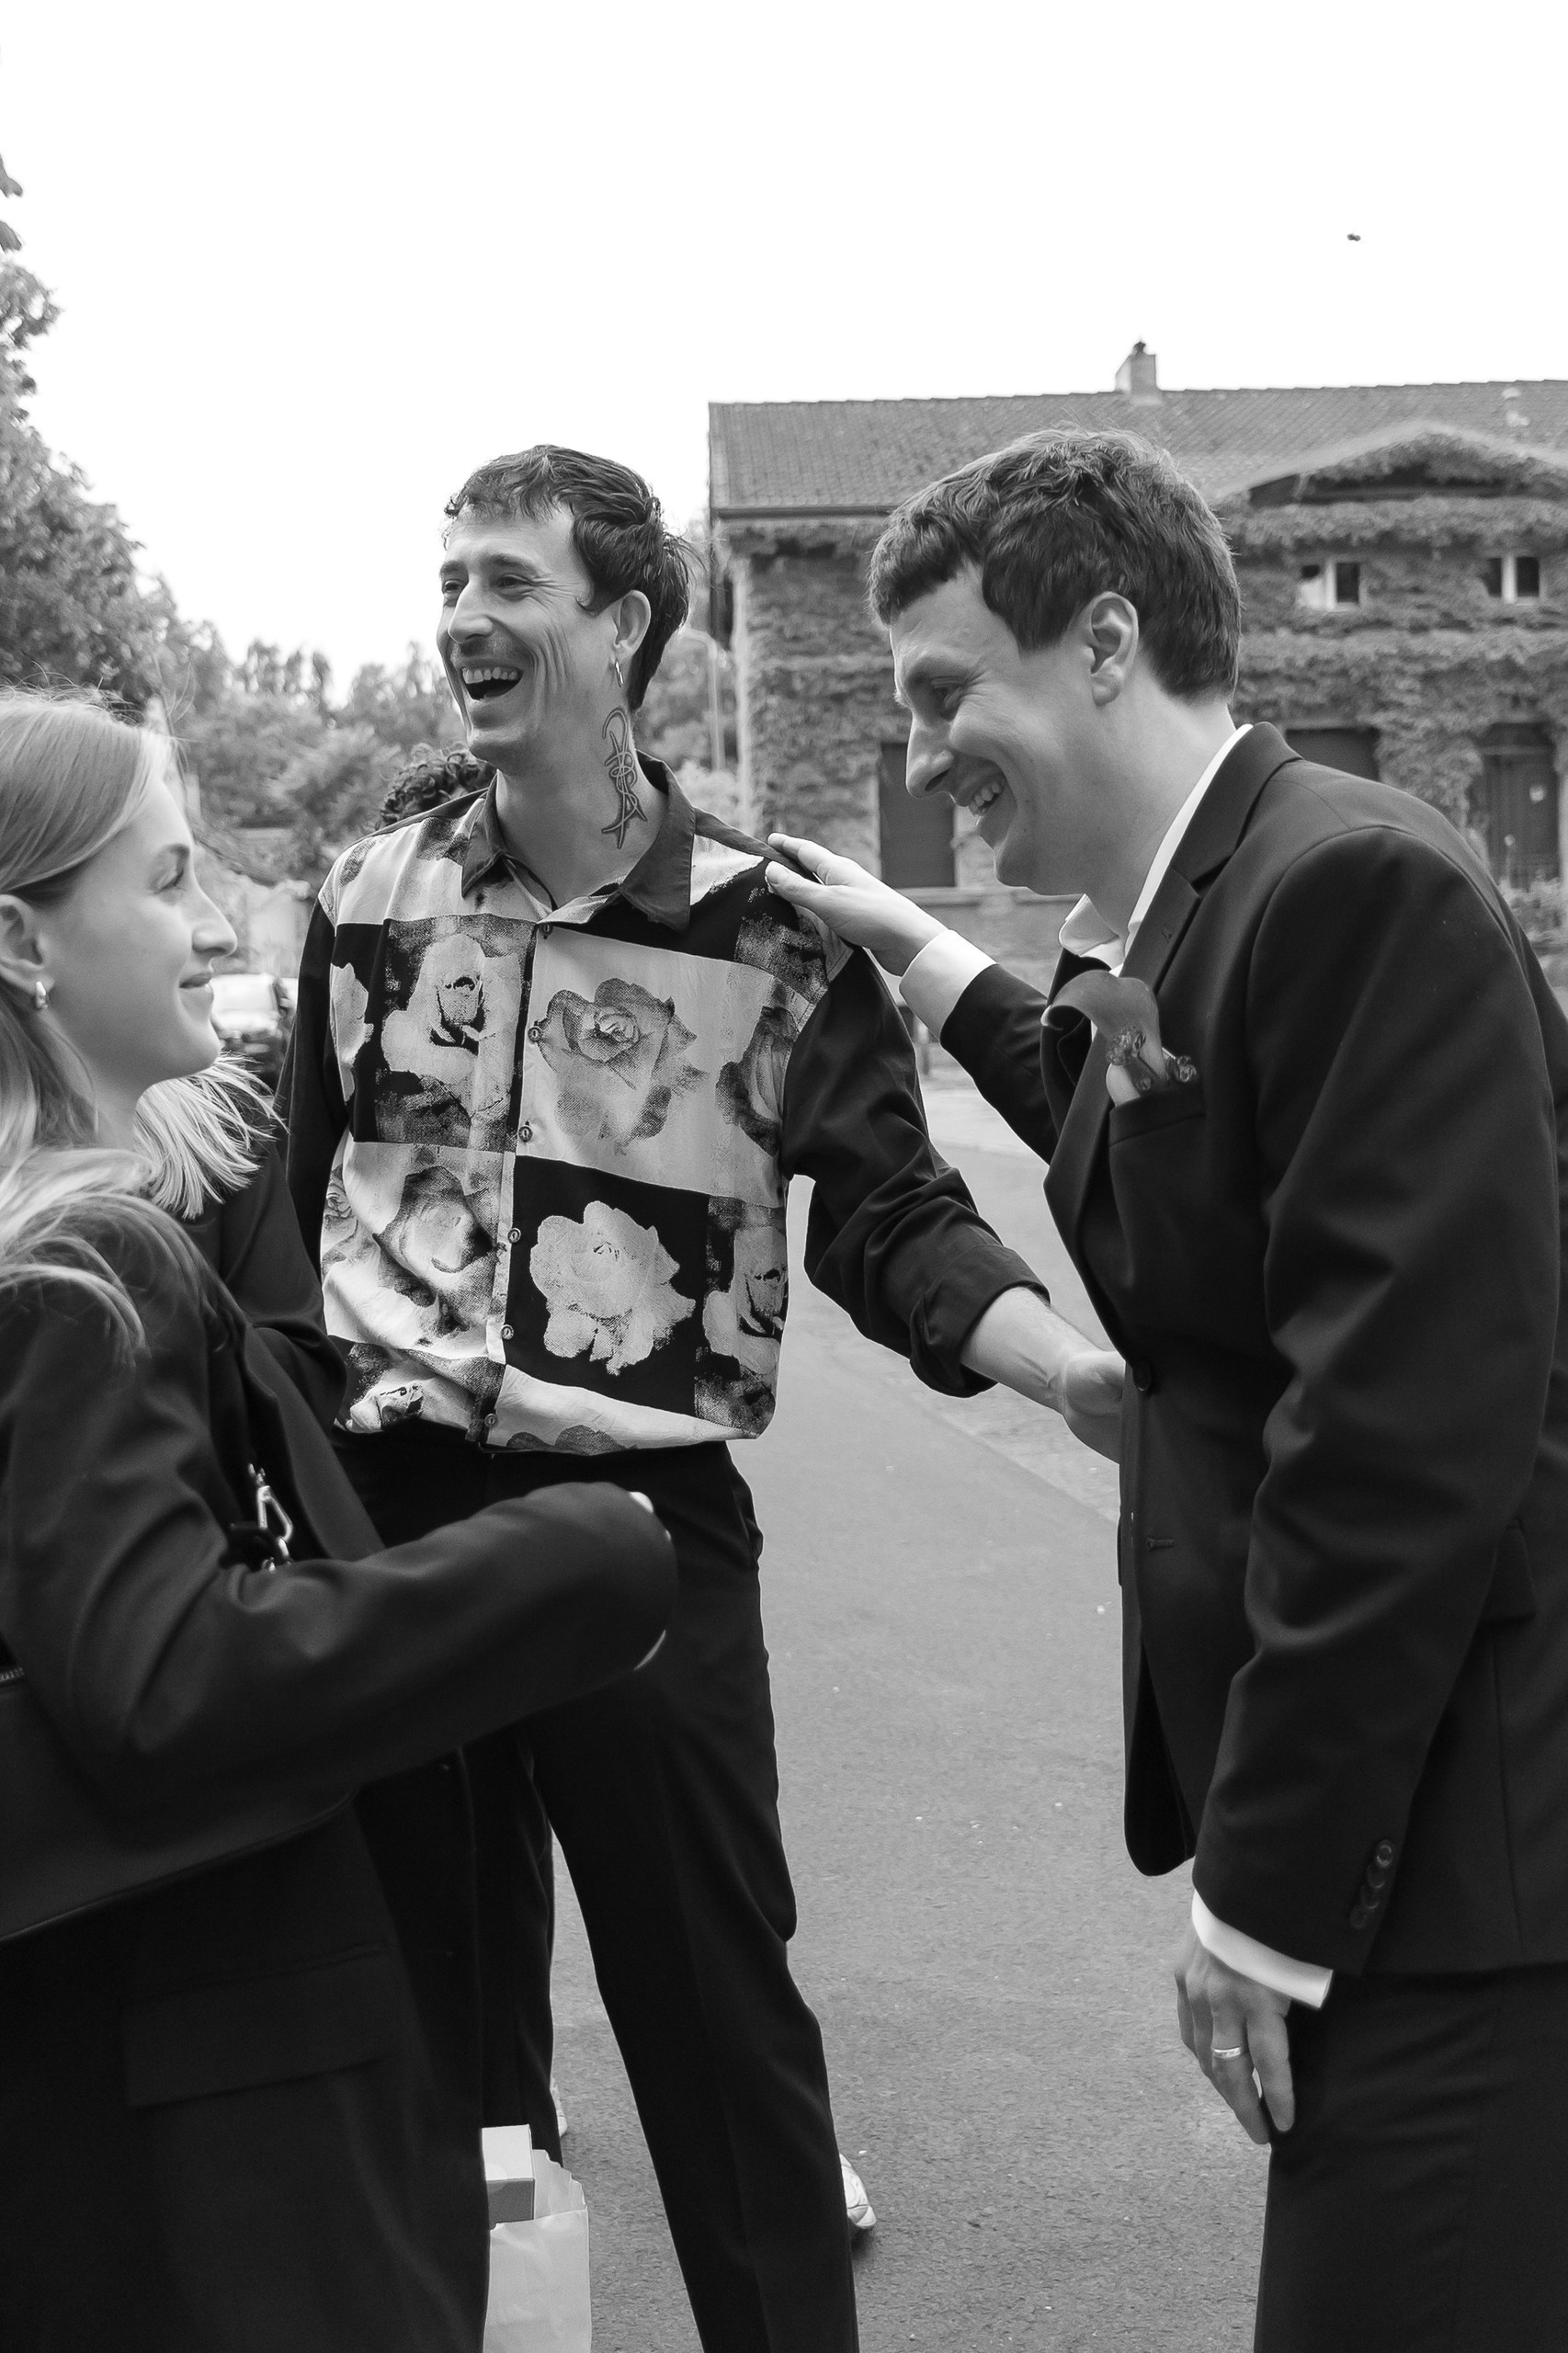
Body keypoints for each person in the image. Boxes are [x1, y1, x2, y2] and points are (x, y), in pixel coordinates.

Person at [281, 444, 1118, 2353]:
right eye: (450, 580)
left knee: (716, 2017)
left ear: (625, 625)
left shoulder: (762, 923)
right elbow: (295, 1214)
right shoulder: (370, 892)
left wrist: (1060, 1366)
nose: (462, 619)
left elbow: (889, 1211)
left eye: (508, 581)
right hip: (388, 1522)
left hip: (635, 1538)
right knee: (437, 2034)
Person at [764, 428, 1568, 2351]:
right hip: (1407, 1849)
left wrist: (1265, 1900)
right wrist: (934, 960)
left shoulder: (1349, 888)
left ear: (1106, 637)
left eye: (948, 689)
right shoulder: (1216, 890)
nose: (925, 741)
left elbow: (1391, 1447)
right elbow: (1174, 1144)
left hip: (1458, 1865)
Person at [0, 689, 676, 2353]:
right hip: (216, 2145)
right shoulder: (84, 1276)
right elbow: (163, 1688)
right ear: (27, 944)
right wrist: (575, 1561)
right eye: (165, 880)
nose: (217, 921)